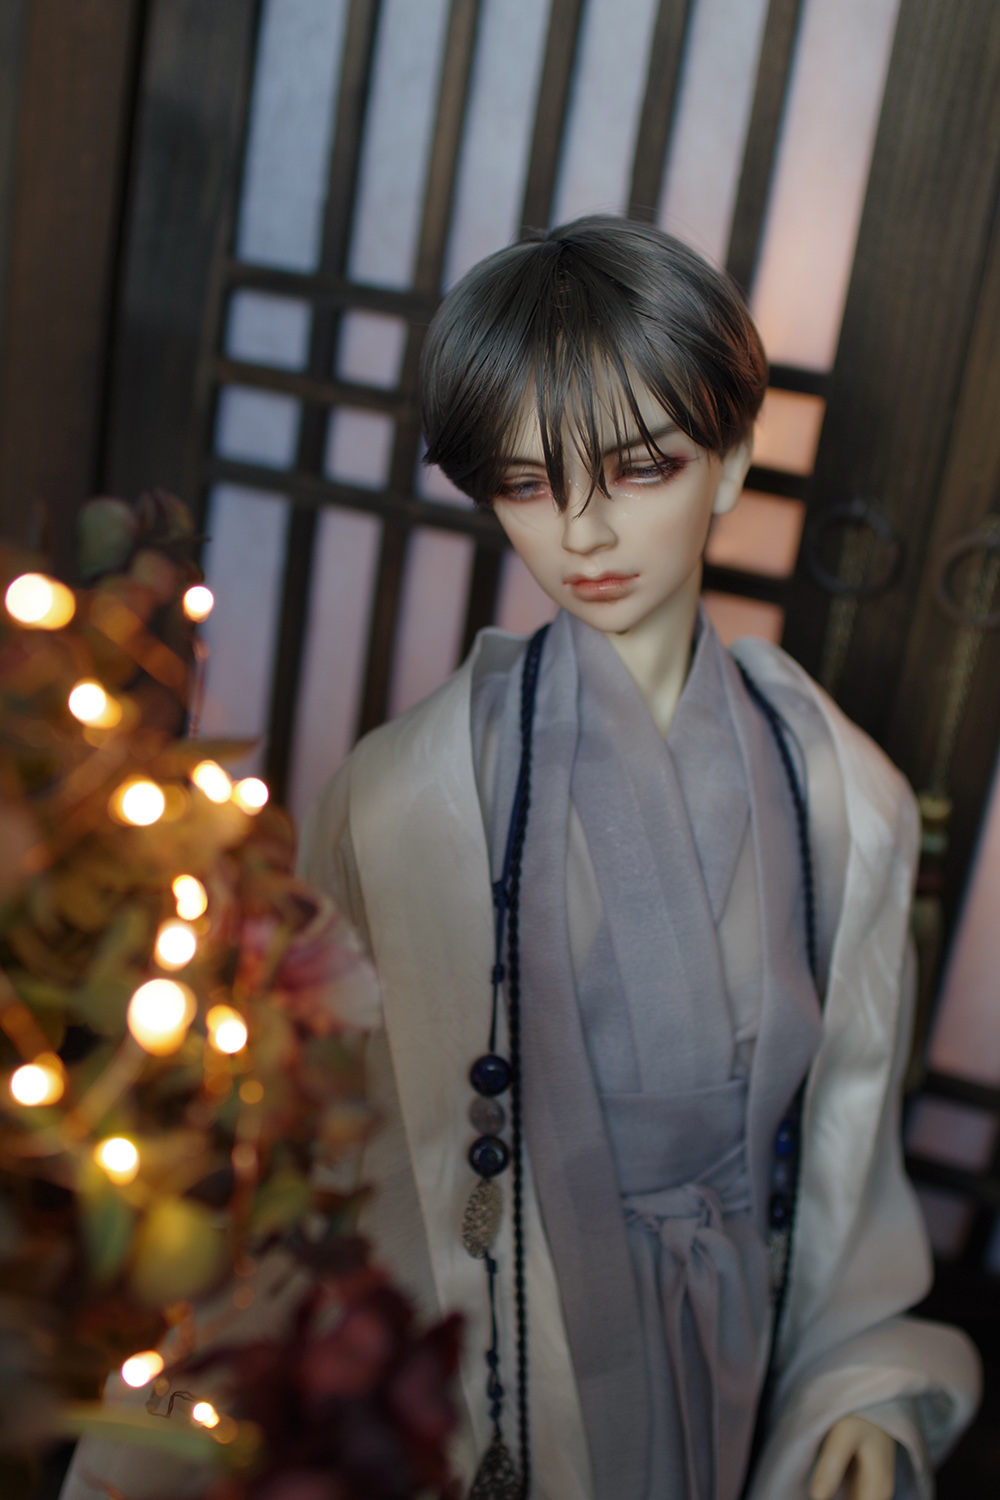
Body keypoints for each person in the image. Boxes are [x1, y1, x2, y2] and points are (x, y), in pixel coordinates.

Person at [298, 218, 979, 1500]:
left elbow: (842, 1159)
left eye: (642, 467)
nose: (583, 533)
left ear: (730, 463)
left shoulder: (845, 795)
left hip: (727, 1339)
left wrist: (859, 1380)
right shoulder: (399, 800)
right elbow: (333, 1156)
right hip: (497, 1345)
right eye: (527, 484)